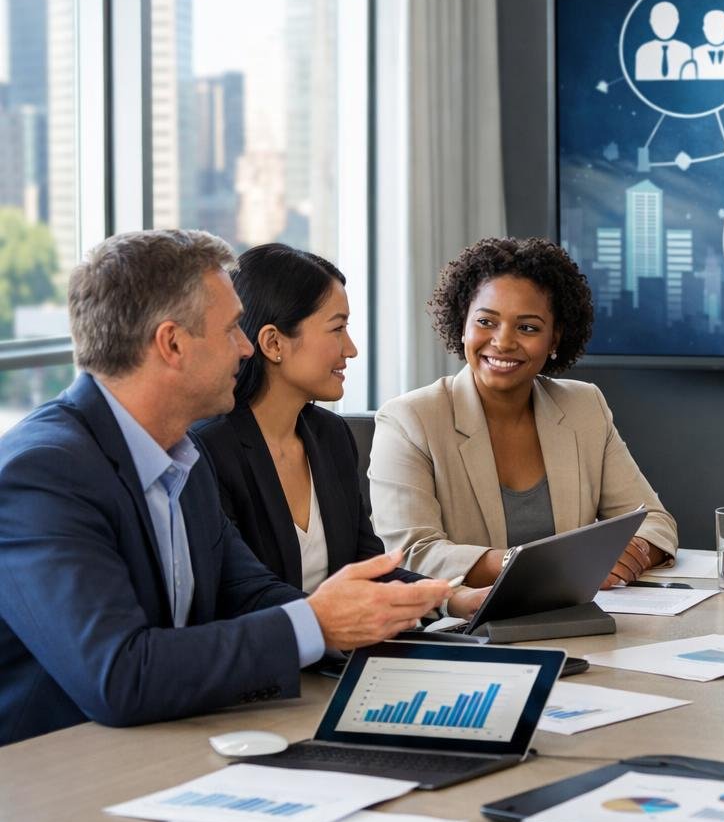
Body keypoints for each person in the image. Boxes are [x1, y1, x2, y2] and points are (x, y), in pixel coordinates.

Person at [0, 231, 450, 746]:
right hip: (56, 766)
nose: (245, 346)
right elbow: (119, 675)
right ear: (172, 344)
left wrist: (365, 616)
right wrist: (317, 623)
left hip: (168, 739)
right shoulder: (42, 474)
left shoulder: (181, 455)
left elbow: (249, 593)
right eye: (232, 327)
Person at [194, 244, 487, 615]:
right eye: (337, 328)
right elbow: (240, 593)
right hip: (276, 648)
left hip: (345, 647)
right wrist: (332, 619)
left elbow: (367, 566)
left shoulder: (330, 435)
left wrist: (452, 598)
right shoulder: (208, 448)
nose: (351, 349)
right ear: (273, 342)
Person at [369, 237, 678, 589]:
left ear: (555, 339)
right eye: (486, 321)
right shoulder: (409, 420)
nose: (503, 342)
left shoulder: (583, 407)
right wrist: (545, 565)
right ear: (463, 324)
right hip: (465, 617)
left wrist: (632, 551)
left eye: (527, 327)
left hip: (575, 614)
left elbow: (654, 521)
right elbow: (413, 553)